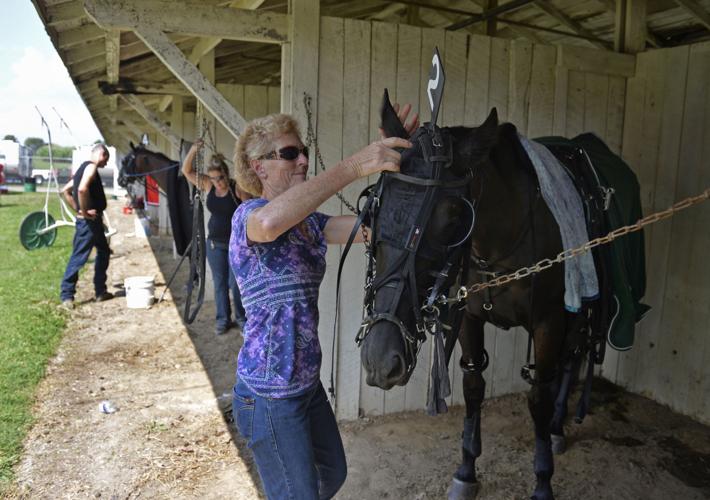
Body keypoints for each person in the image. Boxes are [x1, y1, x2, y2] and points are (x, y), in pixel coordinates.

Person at [229, 108, 417, 499]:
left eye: (303, 153)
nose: (302, 160)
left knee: (331, 473)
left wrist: (399, 163)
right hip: (270, 394)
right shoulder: (249, 217)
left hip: (305, 384)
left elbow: (374, 229)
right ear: (258, 167)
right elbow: (268, 225)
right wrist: (353, 166)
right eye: (289, 153)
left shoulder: (311, 224)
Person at [182, 139, 248, 335]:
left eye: (219, 177)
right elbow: (187, 171)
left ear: (226, 174)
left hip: (236, 245)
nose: (216, 182)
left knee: (236, 285)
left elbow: (248, 209)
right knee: (219, 285)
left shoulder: (238, 188)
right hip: (214, 245)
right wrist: (194, 150)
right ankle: (222, 319)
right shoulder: (209, 186)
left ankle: (242, 318)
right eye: (212, 178)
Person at [60, 143, 113, 309]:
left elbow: (66, 190)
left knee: (103, 251)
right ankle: (67, 296)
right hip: (88, 224)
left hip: (92, 222)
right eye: (106, 160)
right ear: (101, 155)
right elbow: (82, 189)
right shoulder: (90, 168)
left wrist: (78, 209)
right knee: (79, 257)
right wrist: (83, 211)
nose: (106, 164)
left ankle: (100, 291)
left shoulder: (82, 168)